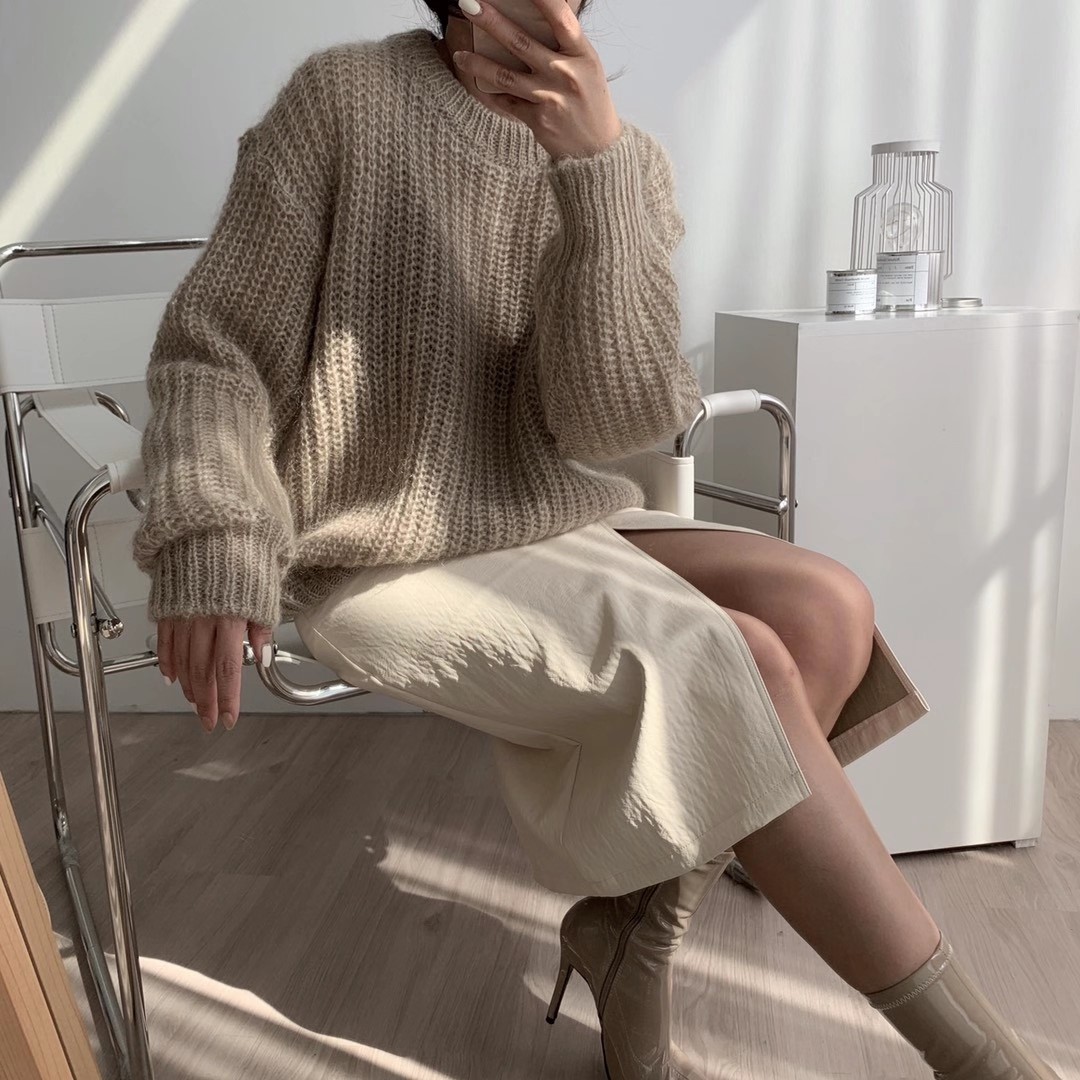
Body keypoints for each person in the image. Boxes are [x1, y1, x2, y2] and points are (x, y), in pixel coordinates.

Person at [131, 2, 1061, 1077]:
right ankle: (984, 1063)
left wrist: (597, 175)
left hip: (546, 506)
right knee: (749, 660)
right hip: (371, 544)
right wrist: (216, 531)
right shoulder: (342, 99)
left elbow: (610, 422)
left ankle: (632, 932)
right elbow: (213, 357)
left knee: (827, 609)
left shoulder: (626, 161)